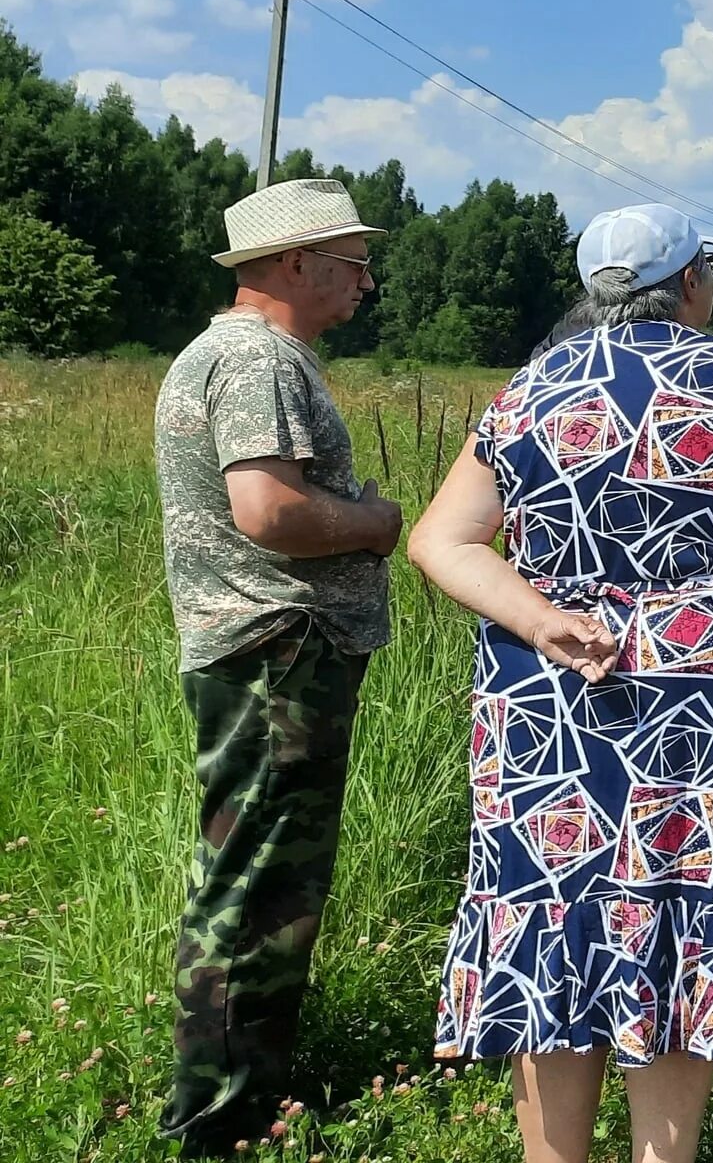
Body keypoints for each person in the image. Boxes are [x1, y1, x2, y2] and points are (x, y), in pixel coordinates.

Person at [407, 204, 713, 1163]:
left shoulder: (526, 390)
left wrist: (539, 618)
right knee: (680, 913)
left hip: (546, 711)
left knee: (551, 921)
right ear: (692, 282)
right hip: (703, 713)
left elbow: (441, 541)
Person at [153, 177, 405, 1155]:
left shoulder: (238, 354)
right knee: (259, 882)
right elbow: (271, 512)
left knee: (258, 878)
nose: (367, 281)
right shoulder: (258, 361)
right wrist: (377, 524)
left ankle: (245, 1094)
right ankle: (219, 1122)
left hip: (273, 650)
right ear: (295, 264)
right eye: (353, 263)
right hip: (278, 648)